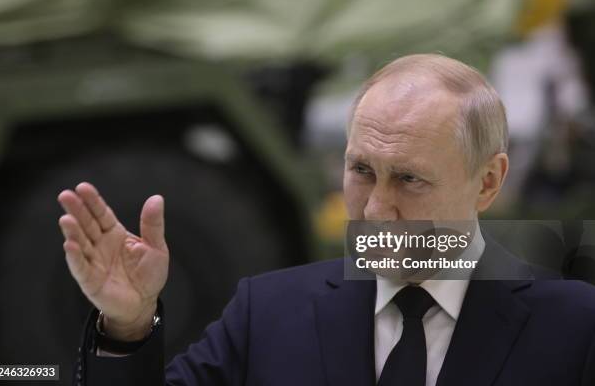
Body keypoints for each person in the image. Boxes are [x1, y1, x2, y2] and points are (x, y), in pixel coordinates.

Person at [58, 54, 595, 386]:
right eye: (361, 170)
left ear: (488, 182)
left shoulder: (575, 328)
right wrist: (127, 328)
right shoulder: (265, 314)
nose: (375, 208)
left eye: (409, 179)